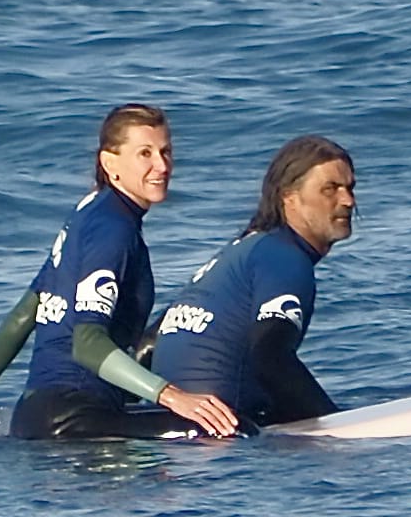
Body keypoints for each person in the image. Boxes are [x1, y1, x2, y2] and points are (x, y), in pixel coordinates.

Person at [0, 104, 239, 439]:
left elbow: (27, 311)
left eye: (166, 152)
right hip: (73, 418)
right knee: (226, 432)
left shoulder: (89, 212)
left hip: (38, 415)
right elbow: (87, 344)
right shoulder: (113, 230)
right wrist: (173, 396)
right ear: (110, 163)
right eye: (145, 154)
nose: (161, 166)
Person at [148, 134, 356, 427]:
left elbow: (147, 344)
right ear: (289, 197)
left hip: (170, 426)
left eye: (350, 187)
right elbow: (270, 358)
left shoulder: (243, 251)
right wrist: (340, 428)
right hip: (218, 441)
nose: (348, 200)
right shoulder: (286, 260)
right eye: (330, 189)